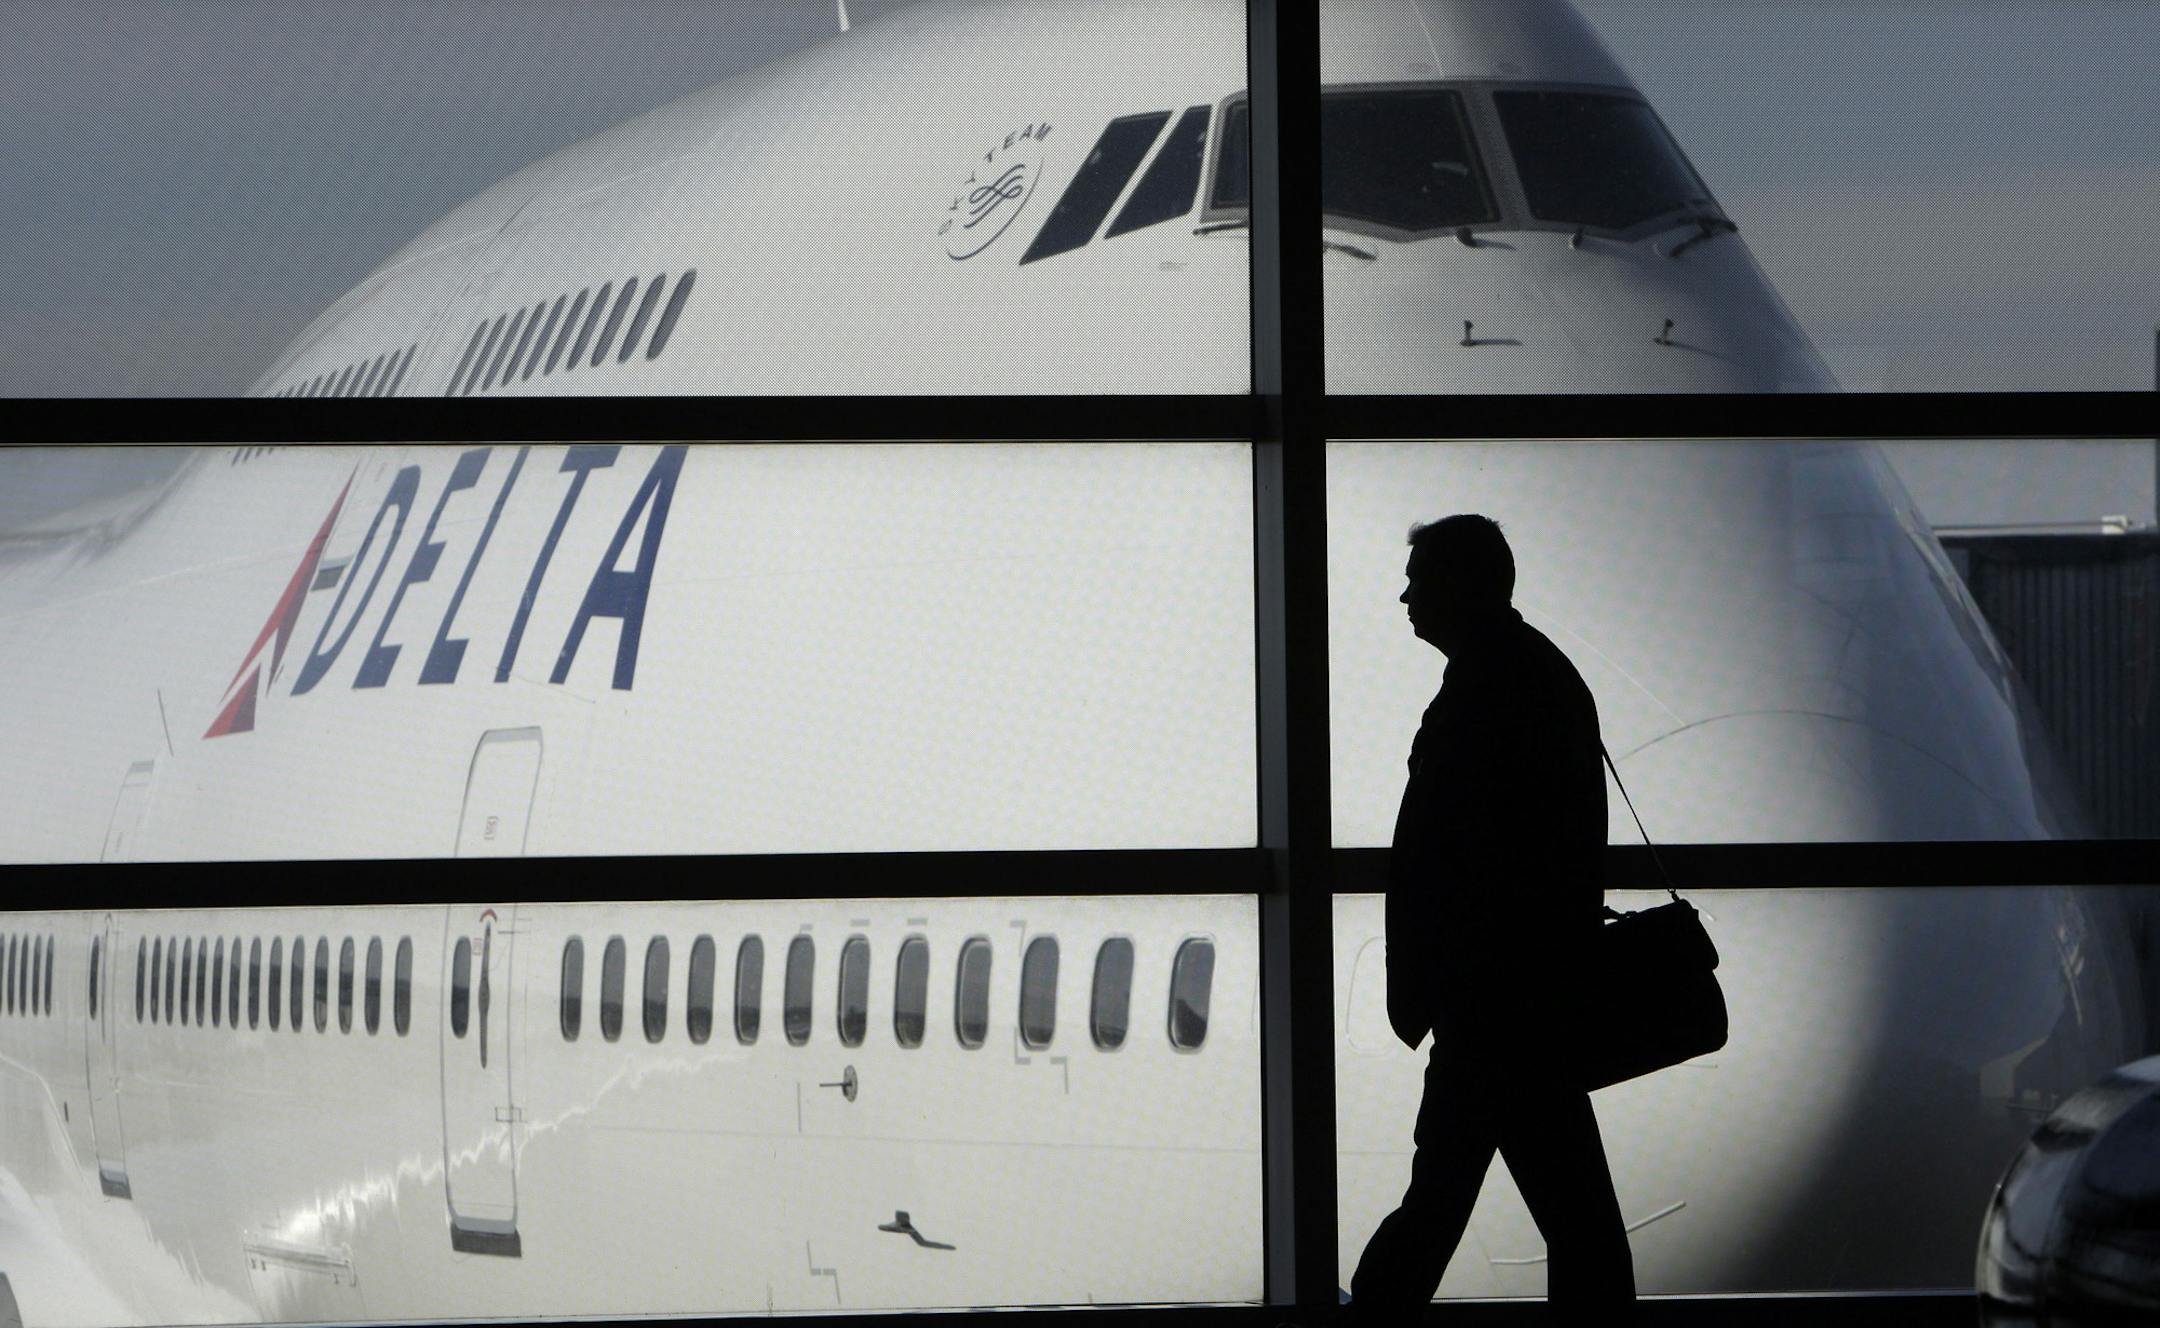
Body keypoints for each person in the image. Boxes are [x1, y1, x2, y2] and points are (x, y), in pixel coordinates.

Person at [1346, 514, 1635, 1325]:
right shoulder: (1531, 674)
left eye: (1421, 578)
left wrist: (1449, 979)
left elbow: (1459, 853)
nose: (1405, 595)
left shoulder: (1488, 688)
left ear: (1461, 587)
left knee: (1442, 1204)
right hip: (1523, 1000)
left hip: (1497, 1005)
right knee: (1565, 1216)